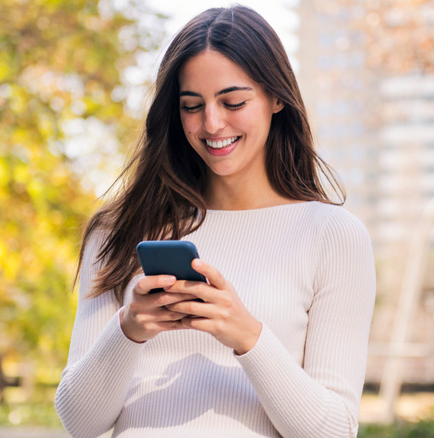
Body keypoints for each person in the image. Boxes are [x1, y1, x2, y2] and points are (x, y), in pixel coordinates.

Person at [54, 5, 376, 437]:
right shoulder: (119, 230)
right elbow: (79, 422)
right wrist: (129, 328)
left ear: (277, 97)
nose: (211, 123)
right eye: (192, 105)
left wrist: (246, 336)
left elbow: (334, 431)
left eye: (233, 101)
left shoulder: (333, 237)